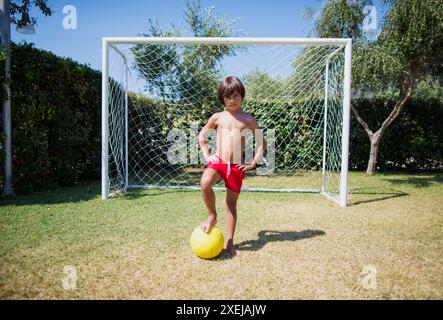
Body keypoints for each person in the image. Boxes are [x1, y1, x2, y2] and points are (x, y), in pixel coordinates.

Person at [198, 76, 264, 257]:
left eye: (235, 95)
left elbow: (261, 144)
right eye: (227, 96)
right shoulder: (217, 117)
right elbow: (202, 136)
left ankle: (230, 242)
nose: (232, 100)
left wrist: (252, 163)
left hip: (236, 167)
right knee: (205, 182)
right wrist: (206, 154)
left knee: (231, 205)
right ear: (222, 98)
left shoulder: (248, 120)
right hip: (218, 162)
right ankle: (212, 215)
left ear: (241, 95)